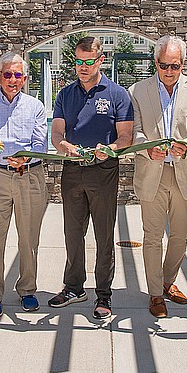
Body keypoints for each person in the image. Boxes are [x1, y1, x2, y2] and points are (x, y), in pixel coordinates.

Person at [49, 36, 133, 319]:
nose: (83, 67)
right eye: (78, 62)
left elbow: (126, 137)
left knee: (104, 236)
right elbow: (57, 133)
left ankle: (104, 295)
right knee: (73, 233)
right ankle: (74, 288)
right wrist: (65, 147)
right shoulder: (65, 94)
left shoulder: (117, 94)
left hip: (104, 171)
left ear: (101, 60)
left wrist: (108, 149)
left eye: (89, 62)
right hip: (72, 171)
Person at [128, 35, 187, 318]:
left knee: (180, 236)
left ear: (183, 64)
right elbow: (134, 132)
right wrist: (148, 149)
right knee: (152, 237)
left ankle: (167, 281)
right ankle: (155, 294)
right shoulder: (137, 90)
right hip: (152, 172)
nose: (169, 71)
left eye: (174, 66)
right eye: (163, 65)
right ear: (155, 63)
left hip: (184, 171)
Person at [0, 52, 48, 318]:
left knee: (29, 239)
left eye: (17, 75)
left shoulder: (35, 106)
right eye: (7, 74)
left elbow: (41, 145)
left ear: (25, 78)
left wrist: (27, 157)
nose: (12, 80)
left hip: (29, 176)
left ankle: (27, 290)